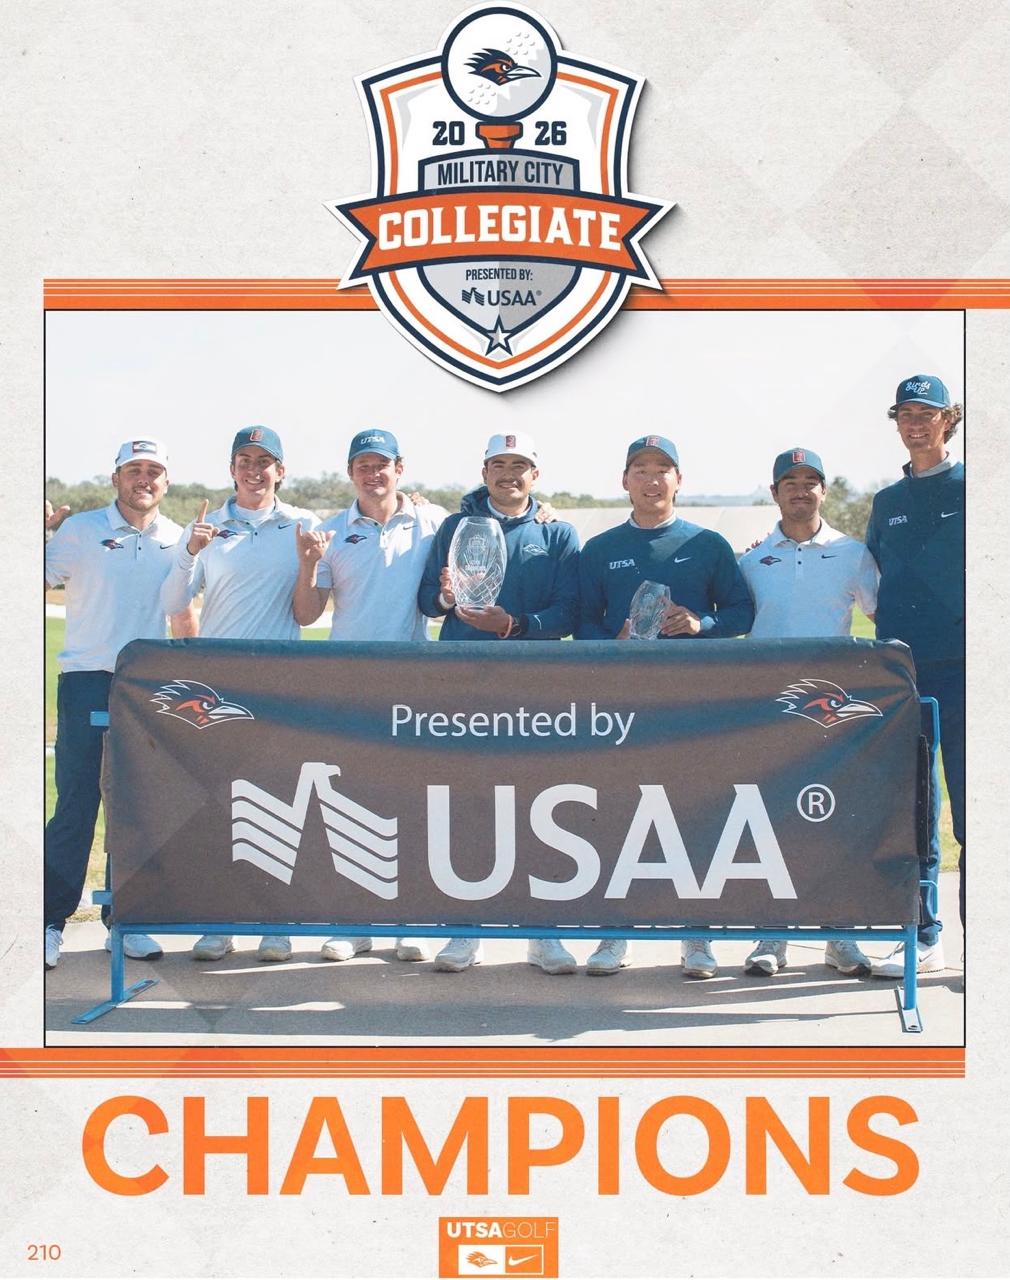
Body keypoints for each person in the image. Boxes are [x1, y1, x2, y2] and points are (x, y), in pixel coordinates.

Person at [576, 434, 755, 977]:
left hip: (691, 704)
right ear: (624, 481)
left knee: (692, 816)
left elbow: (742, 612)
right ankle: (614, 934)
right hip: (623, 705)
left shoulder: (708, 544)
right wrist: (615, 638)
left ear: (680, 480)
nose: (652, 479)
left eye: (663, 469)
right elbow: (582, 623)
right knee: (619, 817)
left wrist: (703, 624)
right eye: (640, 469)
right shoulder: (601, 548)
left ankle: (696, 937)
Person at [418, 431, 581, 975]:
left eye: (520, 465)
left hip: (533, 684)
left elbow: (570, 614)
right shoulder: (454, 526)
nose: (509, 474)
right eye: (498, 464)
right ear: (484, 470)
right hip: (462, 681)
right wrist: (447, 594)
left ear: (536, 474)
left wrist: (515, 625)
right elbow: (427, 600)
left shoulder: (557, 532)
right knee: (466, 806)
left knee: (542, 809)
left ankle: (543, 935)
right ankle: (465, 930)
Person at [160, 426, 319, 964]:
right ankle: (219, 921)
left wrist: (308, 563)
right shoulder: (206, 527)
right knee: (218, 804)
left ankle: (277, 922)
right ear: (232, 469)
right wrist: (189, 551)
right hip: (219, 689)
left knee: (276, 804)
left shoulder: (303, 524)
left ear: (281, 470)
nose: (255, 470)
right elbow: (174, 599)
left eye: (265, 461)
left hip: (280, 686)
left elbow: (305, 614)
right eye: (244, 460)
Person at [292, 427, 448, 963]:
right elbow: (308, 614)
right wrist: (309, 563)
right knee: (352, 803)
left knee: (412, 802)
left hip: (415, 684)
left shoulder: (434, 521)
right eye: (363, 465)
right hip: (351, 687)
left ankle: (410, 920)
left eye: (382, 464)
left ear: (400, 469)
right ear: (350, 472)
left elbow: (489, 511)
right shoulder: (329, 531)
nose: (373, 473)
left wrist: (541, 510)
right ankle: (353, 921)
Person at [44, 439, 195, 970]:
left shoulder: (177, 539)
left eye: (154, 471)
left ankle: (125, 921)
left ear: (167, 482)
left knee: (134, 808)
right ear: (116, 478)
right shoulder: (80, 529)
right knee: (77, 805)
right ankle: (49, 920)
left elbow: (177, 609)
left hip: (143, 683)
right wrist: (37, 533)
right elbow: (35, 576)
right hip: (86, 678)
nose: (144, 479)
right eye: (135, 470)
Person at [737, 446, 879, 977]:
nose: (801, 489)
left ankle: (839, 936)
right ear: (774, 492)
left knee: (831, 821)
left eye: (811, 480)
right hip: (769, 711)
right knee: (770, 824)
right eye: (789, 481)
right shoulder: (750, 559)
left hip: (833, 714)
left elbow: (879, 616)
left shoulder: (852, 552)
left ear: (824, 489)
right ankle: (770, 938)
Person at [864, 375, 964, 979]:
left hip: (971, 672)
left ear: (948, 420)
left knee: (980, 809)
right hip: (908, 675)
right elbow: (869, 578)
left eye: (927, 413)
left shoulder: (980, 486)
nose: (916, 423)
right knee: (919, 810)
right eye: (905, 413)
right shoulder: (887, 503)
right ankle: (925, 935)